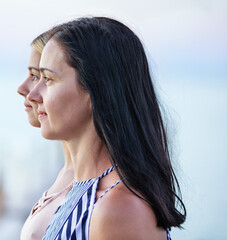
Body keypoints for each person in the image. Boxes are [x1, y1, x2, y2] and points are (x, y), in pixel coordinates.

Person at [28, 17, 186, 240]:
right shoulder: (83, 193)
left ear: (95, 90)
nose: (33, 95)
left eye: (48, 79)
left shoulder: (119, 209)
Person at [17, 30, 74, 240]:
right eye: (34, 77)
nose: (25, 89)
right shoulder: (65, 175)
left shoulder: (108, 197)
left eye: (42, 77)